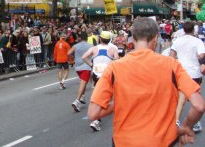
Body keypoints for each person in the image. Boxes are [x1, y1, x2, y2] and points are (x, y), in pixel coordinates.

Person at [88, 17, 205, 147]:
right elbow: (199, 106)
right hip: (162, 141)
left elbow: (93, 113)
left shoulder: (115, 67)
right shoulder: (171, 65)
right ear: (155, 39)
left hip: (124, 141)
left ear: (133, 39)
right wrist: (186, 127)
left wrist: (120, 103)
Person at [170, 20, 205, 131]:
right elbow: (201, 55)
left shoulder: (177, 41)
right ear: (193, 29)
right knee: (195, 99)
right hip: (194, 73)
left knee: (181, 98)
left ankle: (176, 121)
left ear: (183, 29)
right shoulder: (198, 41)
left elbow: (171, 56)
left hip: (181, 72)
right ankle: (195, 122)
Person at [82, 31, 118, 131]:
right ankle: (96, 120)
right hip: (107, 76)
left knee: (97, 96)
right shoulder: (112, 49)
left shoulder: (94, 48)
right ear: (109, 39)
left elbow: (84, 57)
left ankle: (96, 118)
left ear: (100, 39)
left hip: (96, 75)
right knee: (107, 97)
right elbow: (117, 60)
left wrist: (91, 64)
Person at [70, 32, 92, 112]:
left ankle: (82, 97)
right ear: (87, 38)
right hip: (86, 67)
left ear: (80, 38)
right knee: (83, 84)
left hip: (78, 68)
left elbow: (68, 53)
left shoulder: (75, 46)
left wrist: (72, 59)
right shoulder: (90, 46)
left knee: (84, 82)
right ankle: (77, 101)